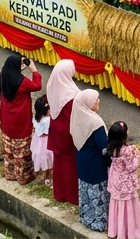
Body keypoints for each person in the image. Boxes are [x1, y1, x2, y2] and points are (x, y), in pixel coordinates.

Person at [0, 54, 43, 184]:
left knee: (9, 150)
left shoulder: (1, 76)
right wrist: (34, 70)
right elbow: (37, 85)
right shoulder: (22, 82)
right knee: (22, 153)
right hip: (20, 121)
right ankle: (23, 177)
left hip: (7, 119)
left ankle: (10, 173)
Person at [70, 89, 109, 231]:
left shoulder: (77, 117)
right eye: (95, 100)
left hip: (82, 161)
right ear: (88, 103)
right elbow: (104, 146)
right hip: (96, 164)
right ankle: (99, 222)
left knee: (86, 191)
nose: (98, 101)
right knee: (97, 194)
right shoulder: (95, 122)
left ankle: (86, 217)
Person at [48, 60, 82, 206]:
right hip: (68, 131)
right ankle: (73, 196)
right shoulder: (72, 95)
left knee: (59, 162)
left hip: (56, 128)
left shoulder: (52, 86)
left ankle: (60, 192)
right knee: (71, 165)